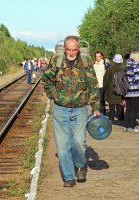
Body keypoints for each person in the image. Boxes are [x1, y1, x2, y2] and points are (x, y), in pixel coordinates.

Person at [42, 35, 100, 187]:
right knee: (62, 146)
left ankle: (80, 165)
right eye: (69, 49)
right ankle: (68, 177)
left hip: (80, 109)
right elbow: (46, 80)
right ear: (64, 48)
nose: (72, 52)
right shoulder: (56, 61)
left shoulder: (85, 62)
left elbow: (93, 85)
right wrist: (54, 95)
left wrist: (95, 108)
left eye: (75, 49)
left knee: (79, 143)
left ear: (78, 49)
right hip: (61, 109)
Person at [123, 51, 139, 133]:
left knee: (128, 109)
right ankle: (132, 127)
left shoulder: (127, 66)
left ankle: (126, 126)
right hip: (135, 91)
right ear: (136, 58)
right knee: (134, 109)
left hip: (127, 91)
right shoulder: (136, 66)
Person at [103, 54, 124, 121]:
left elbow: (105, 80)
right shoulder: (124, 69)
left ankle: (111, 117)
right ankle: (120, 117)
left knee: (111, 104)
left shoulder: (109, 69)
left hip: (111, 89)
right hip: (121, 89)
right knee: (120, 103)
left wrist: (104, 88)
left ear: (114, 60)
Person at [93, 50, 109, 114]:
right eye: (96, 56)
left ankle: (102, 113)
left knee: (101, 100)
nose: (97, 58)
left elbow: (108, 74)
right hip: (94, 85)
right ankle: (96, 112)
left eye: (99, 56)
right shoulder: (94, 63)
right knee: (95, 100)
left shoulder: (105, 64)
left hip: (102, 85)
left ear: (102, 56)